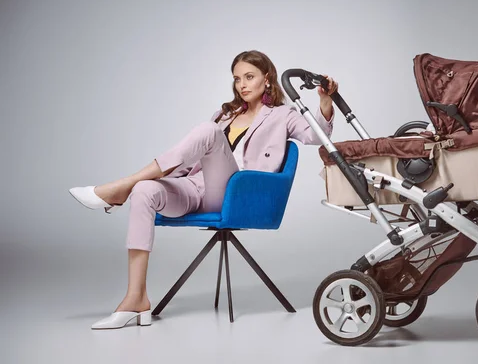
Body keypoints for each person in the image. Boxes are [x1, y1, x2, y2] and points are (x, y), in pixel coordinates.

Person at [69, 50, 338, 329]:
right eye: (237, 79)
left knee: (207, 131)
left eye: (249, 77)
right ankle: (136, 298)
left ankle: (120, 187)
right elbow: (191, 159)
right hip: (196, 187)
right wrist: (164, 179)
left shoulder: (283, 115)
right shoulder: (225, 114)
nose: (242, 85)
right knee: (145, 191)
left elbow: (316, 134)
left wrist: (325, 100)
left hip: (236, 195)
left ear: (267, 79)